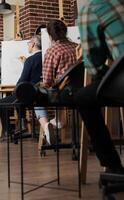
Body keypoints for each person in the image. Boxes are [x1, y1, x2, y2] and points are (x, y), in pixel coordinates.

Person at [75, 0, 124, 174]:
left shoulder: (92, 8)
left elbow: (93, 64)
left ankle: (113, 167)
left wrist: (105, 71)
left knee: (82, 98)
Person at [0, 35, 46, 142]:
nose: (28, 45)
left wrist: (15, 90)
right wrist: (25, 64)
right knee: (18, 97)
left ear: (33, 44)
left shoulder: (31, 59)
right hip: (40, 94)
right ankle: (22, 123)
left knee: (2, 103)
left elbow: (23, 80)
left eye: (28, 43)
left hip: (28, 96)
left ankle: (8, 134)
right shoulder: (44, 57)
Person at [41, 19, 78, 144]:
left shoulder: (53, 50)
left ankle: (47, 126)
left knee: (37, 97)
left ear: (50, 35)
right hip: (82, 91)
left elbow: (47, 81)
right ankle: (58, 121)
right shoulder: (77, 47)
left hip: (62, 95)